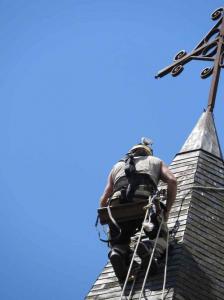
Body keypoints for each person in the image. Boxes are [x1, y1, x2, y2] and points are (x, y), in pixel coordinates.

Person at [99, 138, 177, 282]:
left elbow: (104, 197)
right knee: (162, 233)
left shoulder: (117, 166)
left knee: (120, 239)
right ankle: (149, 247)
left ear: (131, 153)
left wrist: (108, 216)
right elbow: (172, 181)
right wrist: (166, 211)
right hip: (143, 204)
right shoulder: (156, 161)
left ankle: (118, 252)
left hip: (117, 207)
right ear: (148, 153)